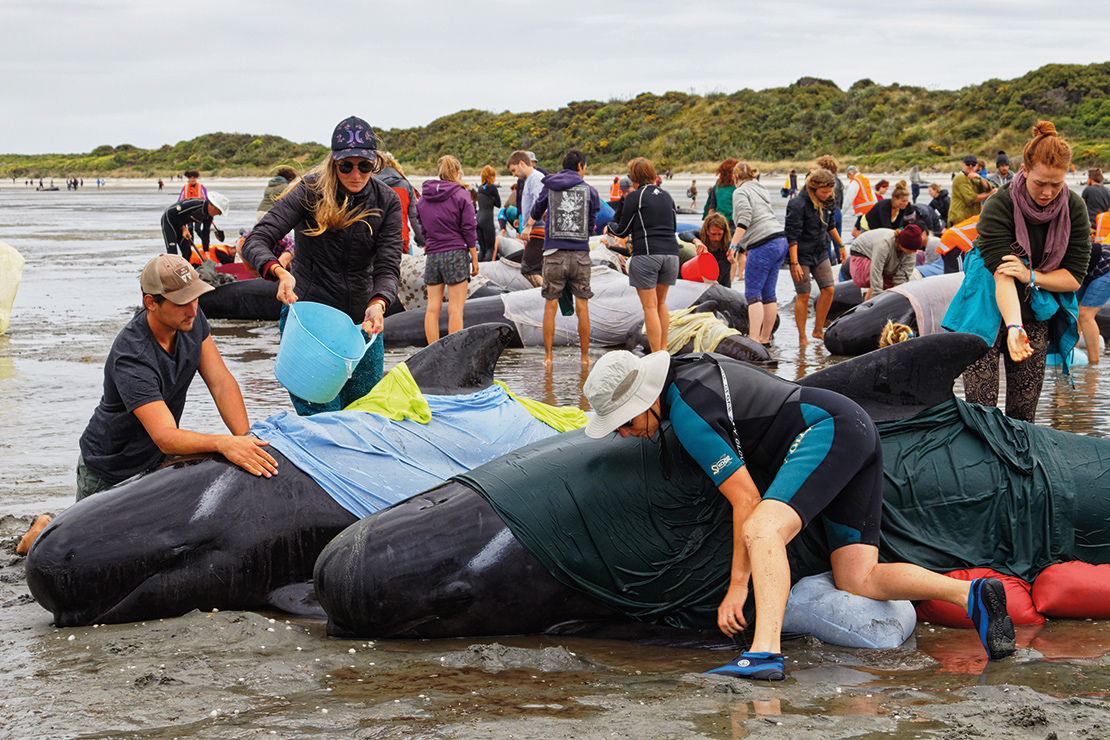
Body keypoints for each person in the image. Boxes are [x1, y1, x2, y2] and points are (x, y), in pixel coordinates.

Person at [581, 349, 1016, 682]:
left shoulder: (687, 408)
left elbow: (746, 500)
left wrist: (737, 587)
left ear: (645, 399)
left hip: (827, 428)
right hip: (853, 427)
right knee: (856, 578)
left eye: (623, 420)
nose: (622, 432)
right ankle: (971, 595)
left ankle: (764, 653)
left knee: (763, 528)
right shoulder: (687, 373)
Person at [76, 255, 279, 501]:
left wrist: (245, 439)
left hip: (157, 458)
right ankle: (40, 527)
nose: (193, 310)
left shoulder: (190, 317)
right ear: (151, 302)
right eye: (182, 302)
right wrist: (222, 443)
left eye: (195, 297)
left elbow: (220, 381)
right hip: (112, 466)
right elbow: (165, 435)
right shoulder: (132, 355)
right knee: (82, 540)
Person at [241, 115, 403, 416]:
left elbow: (388, 264)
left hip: (362, 325)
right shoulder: (308, 191)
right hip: (309, 323)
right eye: (347, 166)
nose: (356, 174)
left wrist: (379, 303)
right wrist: (279, 272)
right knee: (321, 421)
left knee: (363, 415)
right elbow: (256, 240)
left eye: (364, 166)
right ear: (334, 163)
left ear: (375, 163)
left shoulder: (387, 200)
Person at [942, 121, 1091, 422]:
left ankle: (1020, 465)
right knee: (981, 407)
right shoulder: (1000, 203)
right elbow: (1003, 273)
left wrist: (1032, 276)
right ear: (1023, 169)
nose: (1048, 192)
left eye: (1056, 184)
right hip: (985, 298)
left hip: (1035, 302)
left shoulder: (1074, 208)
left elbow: (1073, 277)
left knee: (1024, 410)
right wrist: (1013, 327)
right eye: (1040, 183)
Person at [528, 149, 600, 366]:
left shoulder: (549, 187)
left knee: (550, 306)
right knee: (583, 307)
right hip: (580, 254)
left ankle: (548, 358)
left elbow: (535, 212)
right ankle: (585, 358)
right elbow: (592, 223)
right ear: (580, 166)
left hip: (553, 253)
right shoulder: (591, 191)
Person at [607, 157, 679, 353]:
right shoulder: (667, 196)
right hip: (671, 254)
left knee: (650, 306)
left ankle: (657, 354)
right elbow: (673, 225)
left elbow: (621, 231)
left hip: (647, 254)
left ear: (634, 177)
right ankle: (664, 349)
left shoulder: (634, 197)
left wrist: (610, 225)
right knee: (661, 303)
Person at [416, 155, 480, 345]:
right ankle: (455, 352)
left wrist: (429, 241)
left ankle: (432, 351)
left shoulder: (423, 198)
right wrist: (474, 258)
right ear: (457, 172)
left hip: (433, 255)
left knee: (432, 309)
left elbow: (421, 226)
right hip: (456, 253)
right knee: (455, 309)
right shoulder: (462, 195)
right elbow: (469, 228)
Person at [729, 162, 788, 346]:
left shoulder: (740, 192)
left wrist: (733, 246)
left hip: (763, 244)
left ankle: (754, 339)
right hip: (780, 240)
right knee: (768, 293)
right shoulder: (761, 188)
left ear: (735, 177)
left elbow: (744, 219)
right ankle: (765, 339)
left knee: (753, 293)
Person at [785, 168, 844, 344]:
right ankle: (802, 337)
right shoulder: (797, 204)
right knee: (804, 295)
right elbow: (792, 236)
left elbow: (830, 225)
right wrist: (794, 262)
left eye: (829, 192)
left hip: (820, 251)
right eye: (824, 192)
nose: (828, 195)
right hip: (800, 254)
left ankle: (818, 331)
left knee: (829, 289)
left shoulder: (828, 200)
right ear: (813, 188)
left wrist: (840, 245)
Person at [849, 225, 927, 300]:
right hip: (861, 254)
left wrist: (896, 296)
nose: (916, 252)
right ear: (904, 245)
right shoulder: (883, 245)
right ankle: (867, 307)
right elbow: (876, 271)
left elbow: (902, 276)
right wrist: (877, 299)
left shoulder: (911, 252)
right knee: (880, 281)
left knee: (890, 280)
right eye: (913, 250)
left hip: (880, 258)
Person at [508, 150, 547, 285]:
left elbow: (540, 204)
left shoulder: (535, 177)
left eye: (514, 170)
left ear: (522, 163)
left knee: (528, 269)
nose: (514, 175)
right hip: (534, 230)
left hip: (538, 230)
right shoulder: (529, 180)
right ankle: (548, 300)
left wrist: (529, 226)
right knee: (538, 269)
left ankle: (546, 298)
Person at [376, 152, 425, 255]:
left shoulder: (370, 184)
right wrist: (423, 241)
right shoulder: (405, 185)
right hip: (401, 239)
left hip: (375, 240)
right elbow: (414, 218)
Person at [160, 192, 228, 259]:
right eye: (220, 212)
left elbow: (205, 233)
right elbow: (171, 213)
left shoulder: (209, 216)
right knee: (173, 252)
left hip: (180, 224)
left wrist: (206, 252)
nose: (219, 214)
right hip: (169, 220)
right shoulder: (196, 204)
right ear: (215, 207)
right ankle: (171, 269)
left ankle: (184, 268)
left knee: (187, 251)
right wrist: (183, 228)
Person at [679, 213, 733, 288]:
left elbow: (718, 276)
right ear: (707, 231)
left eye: (720, 234)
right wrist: (696, 241)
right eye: (713, 234)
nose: (716, 238)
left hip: (722, 284)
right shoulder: (701, 236)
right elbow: (683, 234)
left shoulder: (728, 246)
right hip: (702, 280)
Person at [1077, 242, 1110, 365]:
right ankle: (1073, 354)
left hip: (1106, 265)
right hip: (1087, 271)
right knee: (1073, 310)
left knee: (1085, 314)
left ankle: (1094, 363)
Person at [949, 154, 994, 226]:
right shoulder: (960, 178)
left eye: (973, 164)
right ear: (963, 165)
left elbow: (988, 188)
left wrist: (979, 177)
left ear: (976, 166)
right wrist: (989, 194)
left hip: (970, 219)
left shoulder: (974, 177)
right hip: (960, 219)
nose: (970, 166)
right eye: (968, 164)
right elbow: (971, 198)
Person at [475, 166, 502, 261]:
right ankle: (488, 272)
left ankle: (478, 270)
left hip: (478, 219)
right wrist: (492, 200)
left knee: (482, 250)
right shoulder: (492, 188)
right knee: (490, 249)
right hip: (487, 220)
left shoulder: (480, 188)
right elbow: (498, 204)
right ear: (492, 176)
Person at [703, 159, 739, 228]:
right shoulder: (739, 186)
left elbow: (712, 208)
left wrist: (707, 226)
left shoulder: (717, 185)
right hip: (736, 222)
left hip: (719, 222)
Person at [844, 165, 877, 238]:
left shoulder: (855, 181)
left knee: (858, 233)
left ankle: (862, 248)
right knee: (855, 232)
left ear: (850, 174)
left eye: (848, 177)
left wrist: (841, 213)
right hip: (870, 210)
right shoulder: (865, 179)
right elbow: (872, 195)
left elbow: (849, 199)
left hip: (863, 212)